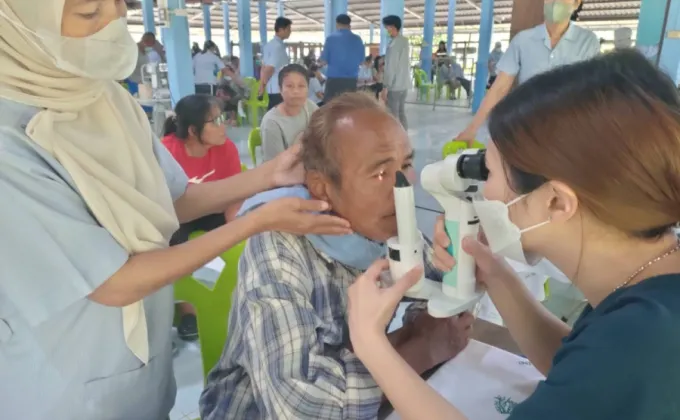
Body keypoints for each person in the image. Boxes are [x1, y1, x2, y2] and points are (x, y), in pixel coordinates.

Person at [0, 1, 352, 419]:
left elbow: (173, 200)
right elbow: (112, 282)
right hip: (67, 383)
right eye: (90, 12)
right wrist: (256, 222)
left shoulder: (106, 98)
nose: (114, 22)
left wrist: (269, 175)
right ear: (17, 24)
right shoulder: (11, 143)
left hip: (141, 369)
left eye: (118, 4)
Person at [347, 50, 680, 420]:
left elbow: (610, 366)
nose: (484, 193)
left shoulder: (644, 340)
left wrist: (370, 342)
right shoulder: (648, 292)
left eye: (488, 174)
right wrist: (493, 273)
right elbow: (576, 366)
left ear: (555, 203)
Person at [200, 92, 473, 419]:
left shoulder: (385, 225)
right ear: (322, 186)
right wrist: (419, 348)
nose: (404, 187)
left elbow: (447, 292)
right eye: (381, 173)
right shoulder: (279, 245)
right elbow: (299, 407)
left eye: (407, 165)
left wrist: (463, 255)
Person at [457, 0, 600, 145]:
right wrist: (472, 128)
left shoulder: (587, 41)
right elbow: (500, 88)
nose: (556, 2)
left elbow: (591, 92)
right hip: (528, 128)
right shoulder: (523, 41)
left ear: (576, 4)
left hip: (568, 130)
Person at [162, 94, 244, 342]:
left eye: (223, 117)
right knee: (173, 246)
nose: (224, 125)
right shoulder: (167, 151)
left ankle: (215, 296)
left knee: (222, 245)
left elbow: (233, 195)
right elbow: (159, 204)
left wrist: (238, 232)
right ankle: (186, 308)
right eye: (215, 120)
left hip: (212, 210)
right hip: (175, 213)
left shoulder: (226, 148)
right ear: (192, 130)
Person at [261, 64, 318, 162]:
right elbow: (276, 166)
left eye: (301, 86)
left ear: (308, 89)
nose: (296, 91)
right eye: (289, 86)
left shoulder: (310, 107)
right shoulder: (271, 123)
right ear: (280, 89)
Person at [319, 14, 365, 102]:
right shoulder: (358, 39)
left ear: (337, 24)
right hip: (351, 80)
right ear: (349, 25)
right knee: (348, 107)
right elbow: (362, 62)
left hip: (334, 80)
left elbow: (323, 61)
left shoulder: (330, 39)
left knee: (331, 107)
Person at [381, 15, 410, 130]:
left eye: (386, 27)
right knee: (401, 113)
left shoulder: (394, 45)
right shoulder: (403, 41)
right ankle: (405, 143)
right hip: (404, 85)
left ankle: (398, 144)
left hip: (395, 86)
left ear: (392, 27)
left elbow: (391, 68)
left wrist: (385, 87)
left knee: (393, 116)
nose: (386, 29)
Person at [260, 17, 292, 110]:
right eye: (288, 29)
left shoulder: (270, 44)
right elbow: (269, 68)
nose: (290, 32)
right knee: (278, 115)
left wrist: (262, 85)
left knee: (274, 114)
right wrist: (262, 85)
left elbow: (263, 67)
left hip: (274, 88)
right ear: (281, 29)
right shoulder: (277, 47)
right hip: (277, 88)